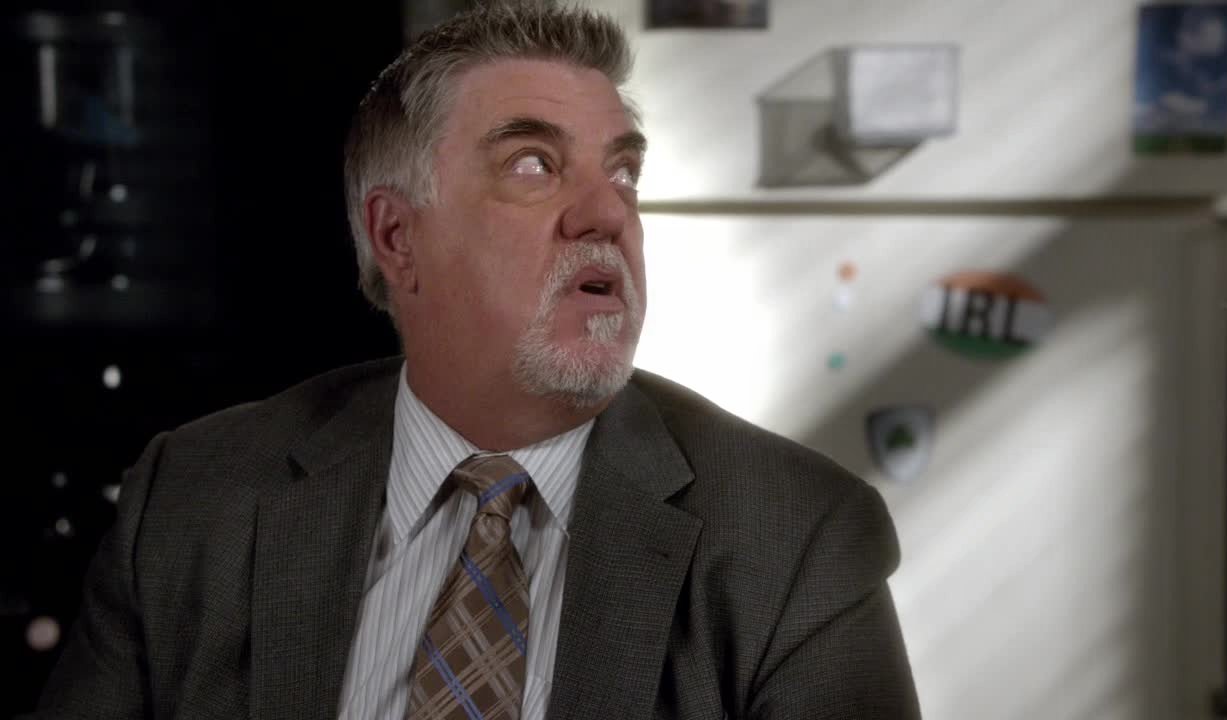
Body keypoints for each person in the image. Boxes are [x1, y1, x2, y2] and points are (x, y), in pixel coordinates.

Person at [35, 2, 920, 718]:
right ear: (397, 237)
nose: (607, 214)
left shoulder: (795, 538)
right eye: (534, 165)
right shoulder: (195, 501)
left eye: (622, 173)